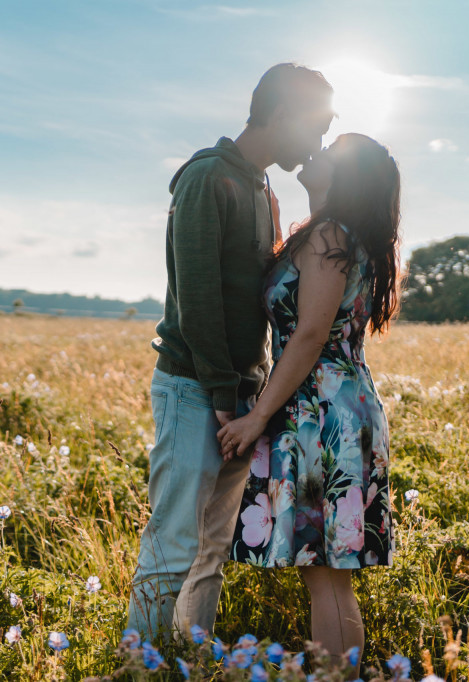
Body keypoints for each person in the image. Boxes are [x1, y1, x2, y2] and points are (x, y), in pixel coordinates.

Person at [127, 63, 334, 642]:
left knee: (213, 547)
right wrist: (223, 394)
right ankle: (139, 667)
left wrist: (251, 394)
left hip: (241, 394)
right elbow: (196, 299)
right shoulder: (207, 176)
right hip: (197, 388)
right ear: (282, 114)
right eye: (315, 127)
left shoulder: (263, 187)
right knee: (175, 542)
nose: (315, 143)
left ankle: (185, 656)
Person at [217, 133, 401, 674]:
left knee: (327, 578)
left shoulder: (329, 236)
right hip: (333, 406)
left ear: (346, 176)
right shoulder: (324, 235)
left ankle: (333, 677)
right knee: (326, 574)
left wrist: (257, 417)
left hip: (321, 414)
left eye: (331, 151)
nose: (316, 151)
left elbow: (309, 332)